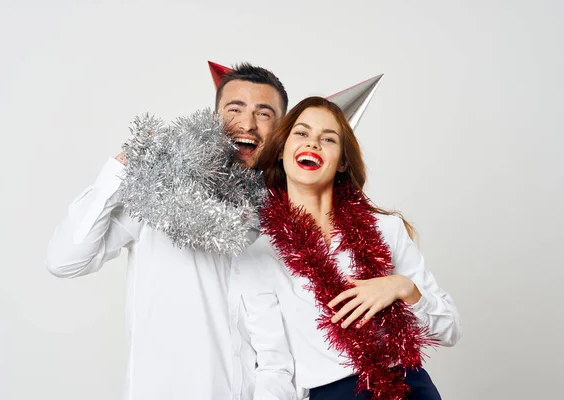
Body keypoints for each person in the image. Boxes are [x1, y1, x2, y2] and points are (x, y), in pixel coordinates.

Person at [45, 63, 295, 400]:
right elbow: (65, 260)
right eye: (234, 109)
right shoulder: (157, 195)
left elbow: (282, 350)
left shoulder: (289, 219)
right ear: (212, 117)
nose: (247, 124)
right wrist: (121, 169)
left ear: (281, 129)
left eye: (264, 114)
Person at [236, 96, 462, 399]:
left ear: (342, 161)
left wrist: (400, 287)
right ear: (281, 151)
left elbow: (449, 329)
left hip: (412, 388)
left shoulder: (386, 230)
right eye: (301, 133)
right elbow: (275, 367)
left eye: (328, 139)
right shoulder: (260, 254)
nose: (313, 143)